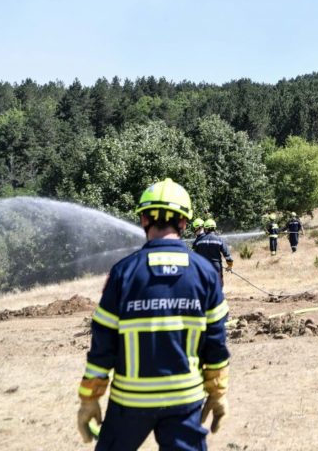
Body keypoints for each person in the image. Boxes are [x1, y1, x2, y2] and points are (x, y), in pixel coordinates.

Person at [76, 178, 230, 450]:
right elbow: (216, 343)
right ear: (184, 223)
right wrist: (217, 392)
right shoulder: (206, 273)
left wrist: (90, 397)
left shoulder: (123, 272)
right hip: (185, 400)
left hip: (130, 402)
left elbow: (103, 343)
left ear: (144, 218)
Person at [193, 218, 234, 283]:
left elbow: (194, 256)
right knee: (218, 286)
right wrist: (230, 265)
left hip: (203, 267)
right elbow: (227, 255)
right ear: (214, 228)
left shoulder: (199, 241)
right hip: (216, 266)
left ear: (206, 229)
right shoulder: (219, 240)